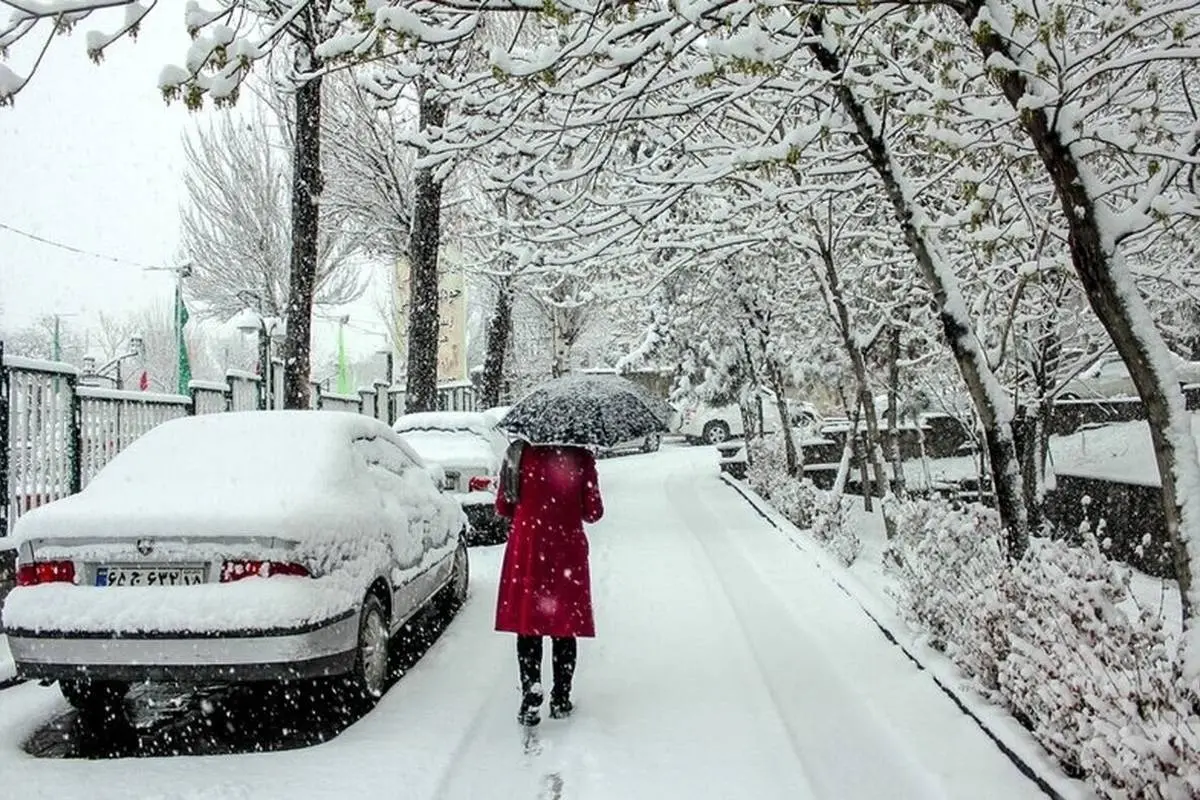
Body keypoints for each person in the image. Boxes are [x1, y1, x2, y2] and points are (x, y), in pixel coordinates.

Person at [495, 439, 604, 726]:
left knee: (529, 623)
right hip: (566, 549)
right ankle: (561, 697)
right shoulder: (581, 458)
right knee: (564, 624)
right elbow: (594, 512)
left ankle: (531, 691)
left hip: (528, 547)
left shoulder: (518, 454)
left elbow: (504, 506)